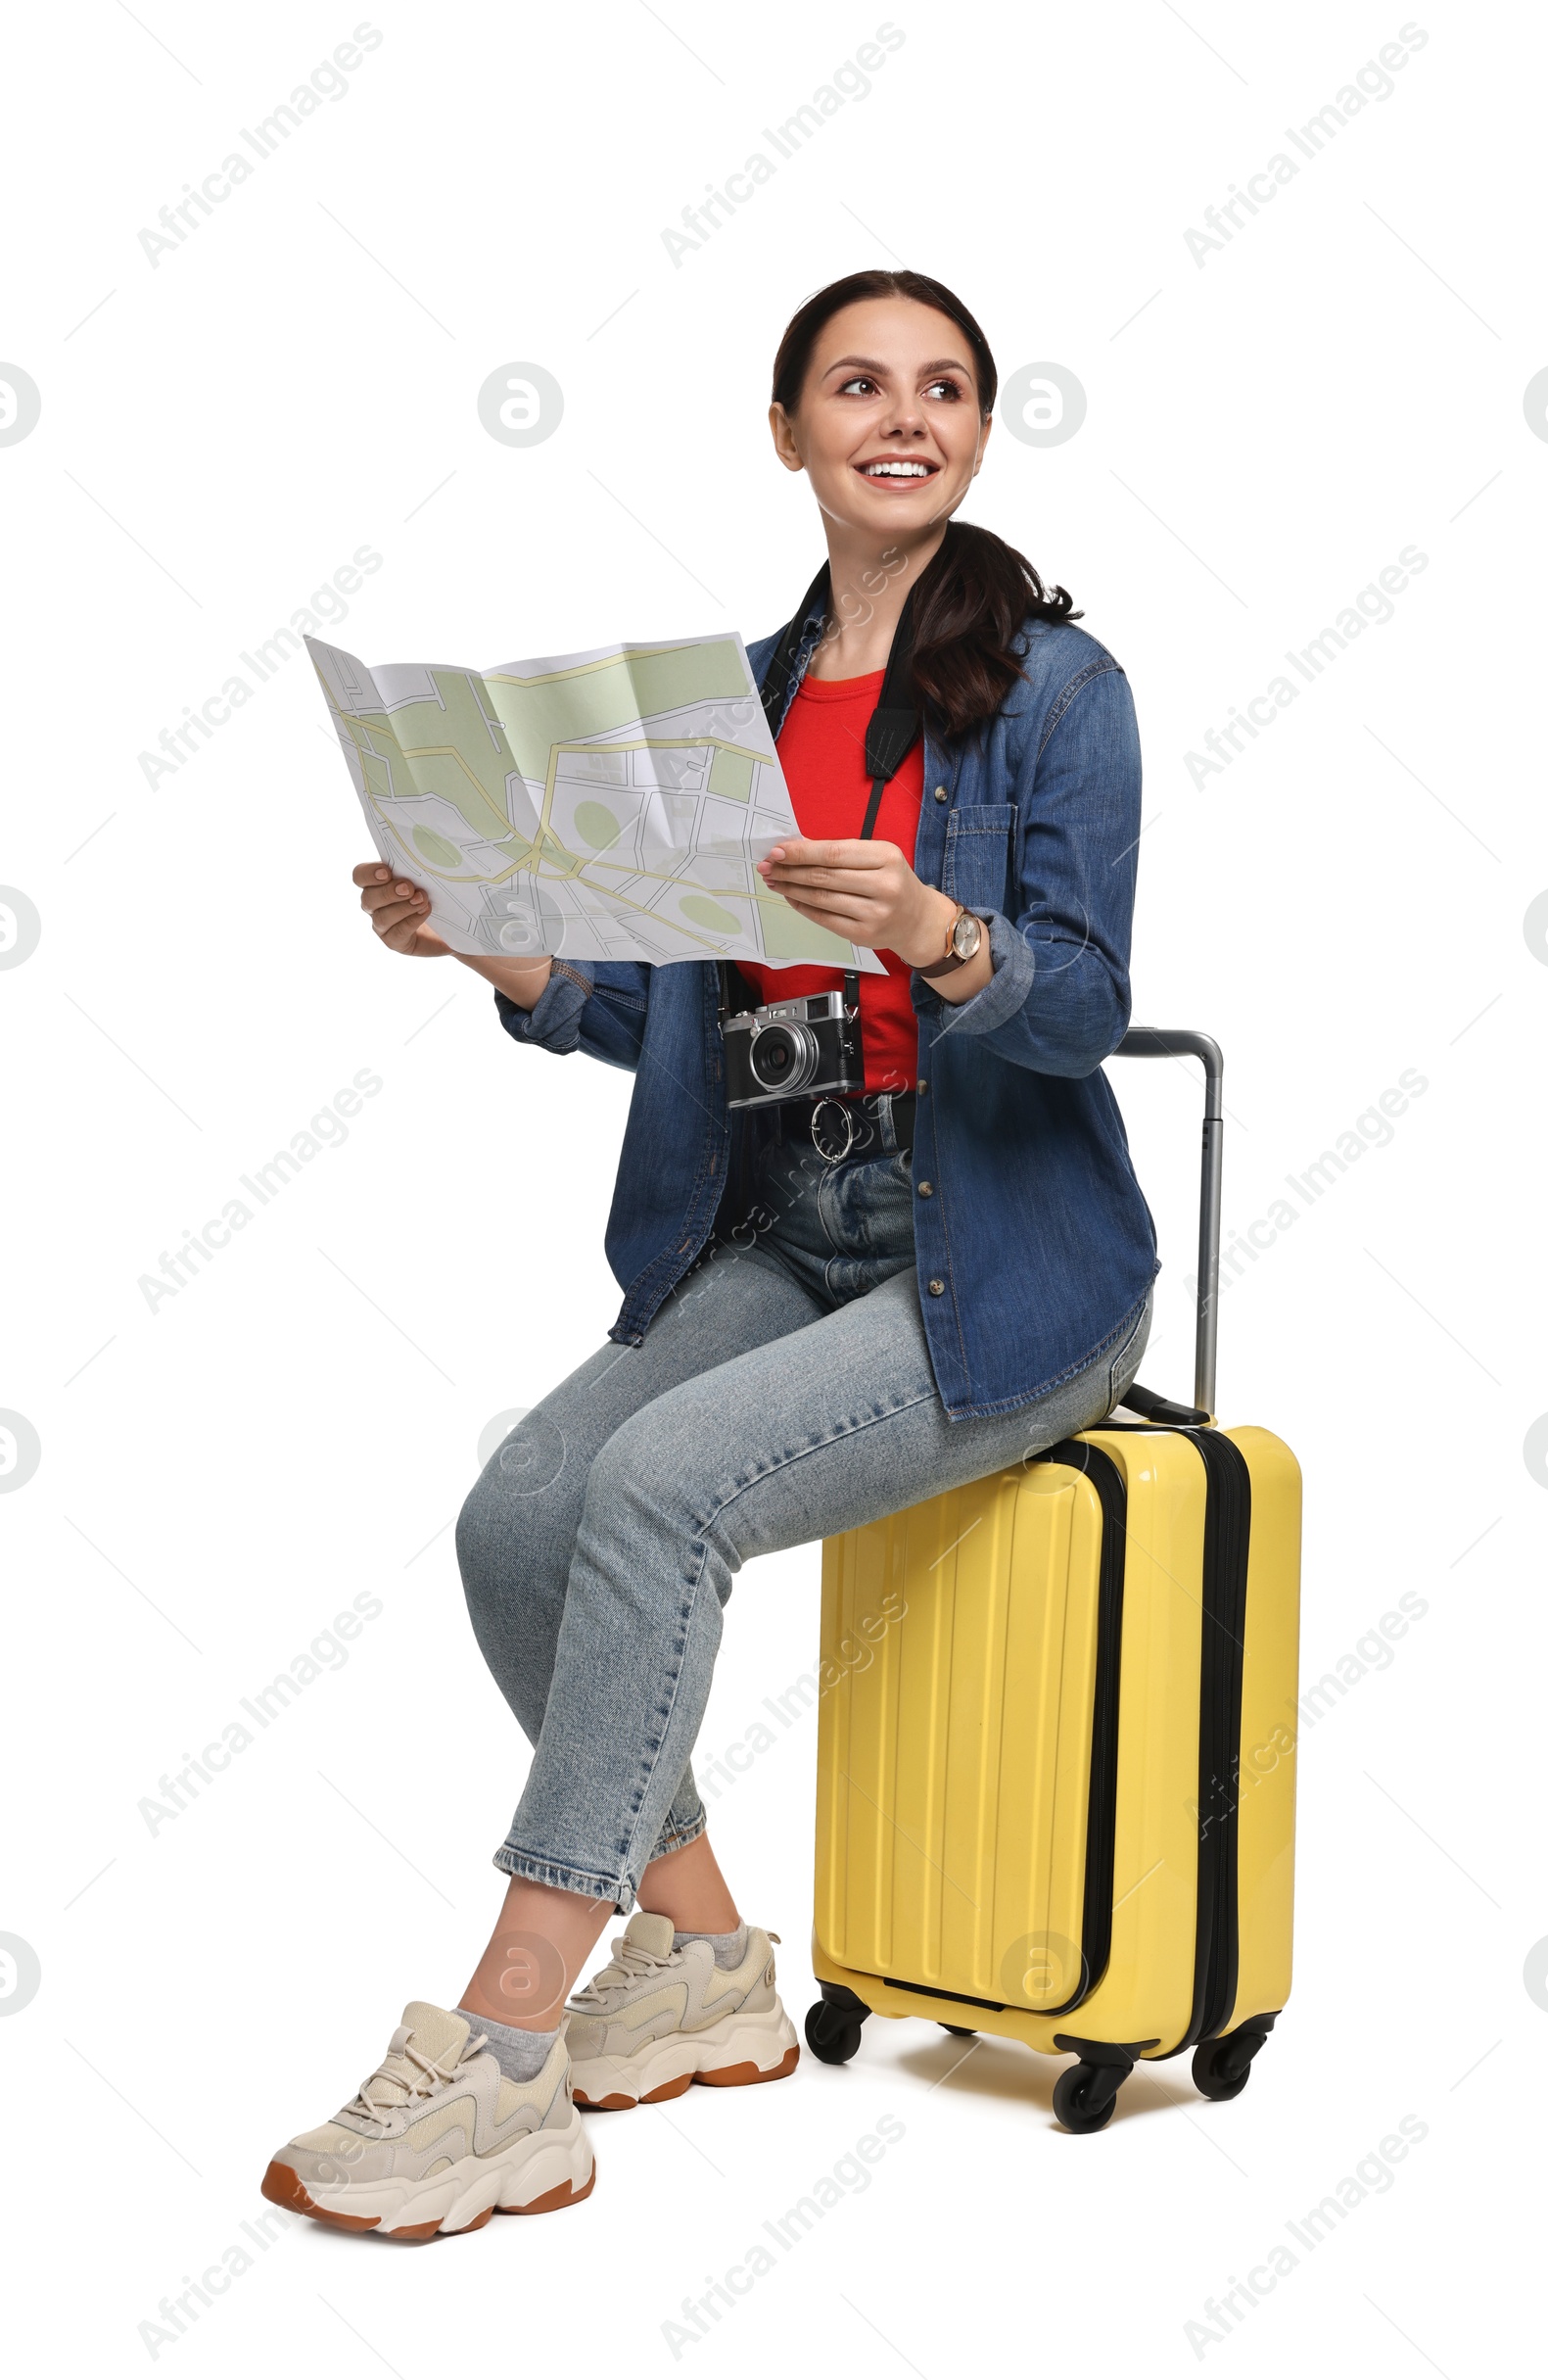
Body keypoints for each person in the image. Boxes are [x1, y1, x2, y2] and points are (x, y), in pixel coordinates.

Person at [261, 269, 1158, 2240]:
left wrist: (940, 933)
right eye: (856, 384)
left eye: (941, 388)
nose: (899, 415)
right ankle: (694, 1964)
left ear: (978, 435)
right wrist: (509, 956)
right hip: (790, 1226)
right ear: (788, 432)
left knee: (660, 1491)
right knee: (522, 1512)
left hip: (996, 1261)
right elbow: (678, 1021)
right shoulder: (735, 710)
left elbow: (1082, 1007)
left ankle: (506, 2046)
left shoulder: (1056, 696)